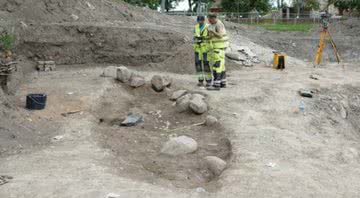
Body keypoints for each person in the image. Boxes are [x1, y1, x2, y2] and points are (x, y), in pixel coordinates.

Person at [207, 13, 229, 90]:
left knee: (217, 66)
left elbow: (220, 35)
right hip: (218, 48)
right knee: (222, 66)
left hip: (219, 48)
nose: (209, 21)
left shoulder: (219, 24)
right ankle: (223, 83)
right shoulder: (212, 25)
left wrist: (212, 32)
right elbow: (211, 36)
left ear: (213, 18)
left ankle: (216, 85)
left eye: (209, 20)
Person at [193, 16, 212, 87]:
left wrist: (202, 38)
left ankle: (208, 81)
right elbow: (194, 35)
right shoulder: (196, 27)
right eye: (199, 21)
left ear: (204, 21)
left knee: (206, 64)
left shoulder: (208, 27)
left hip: (205, 49)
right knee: (198, 64)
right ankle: (200, 80)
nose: (200, 22)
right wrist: (196, 38)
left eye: (201, 21)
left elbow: (211, 36)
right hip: (198, 48)